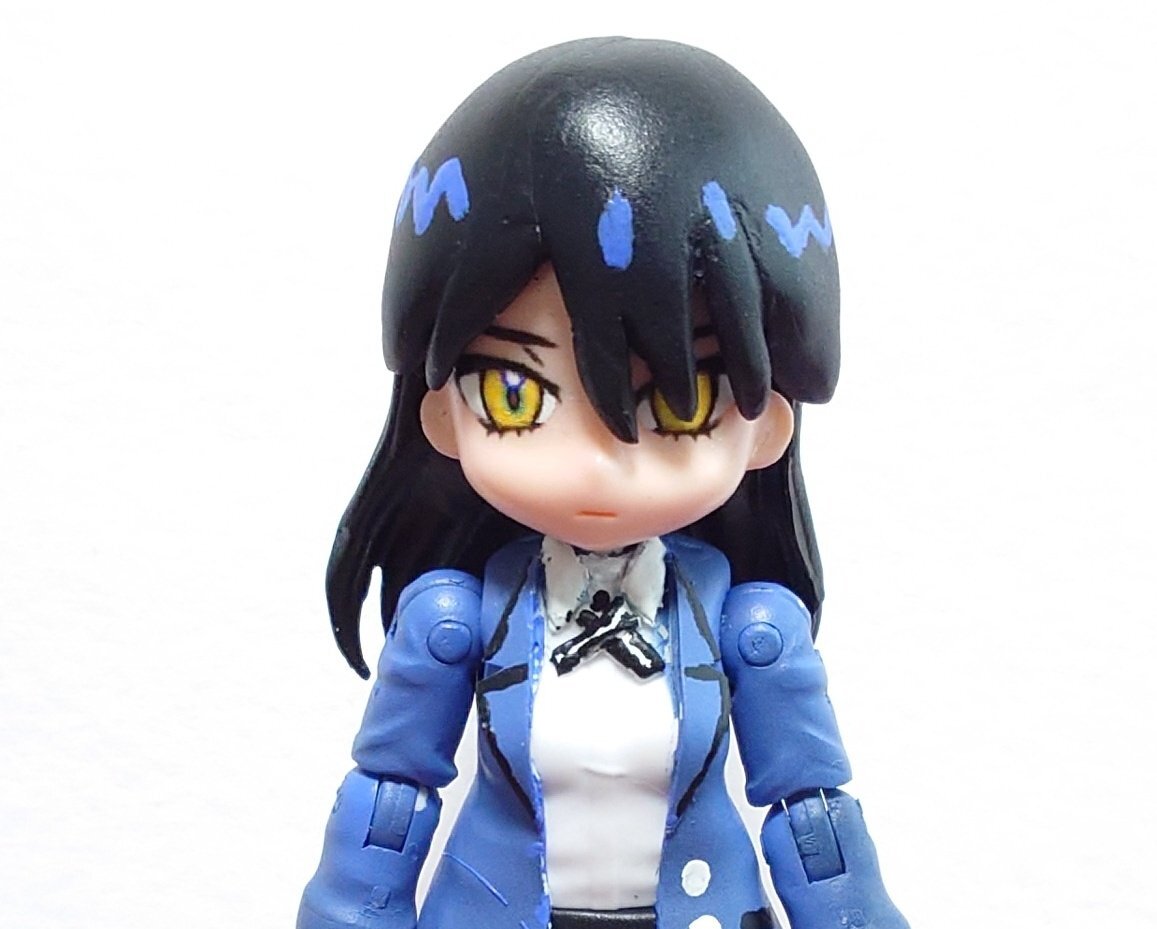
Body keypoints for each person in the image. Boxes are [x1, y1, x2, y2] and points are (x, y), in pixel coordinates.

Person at [299, 37, 908, 929]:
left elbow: (811, 814)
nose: (595, 461)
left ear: (767, 424)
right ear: (441, 414)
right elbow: (389, 800)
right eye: (514, 395)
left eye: (680, 402)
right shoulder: (449, 623)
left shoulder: (753, 631)